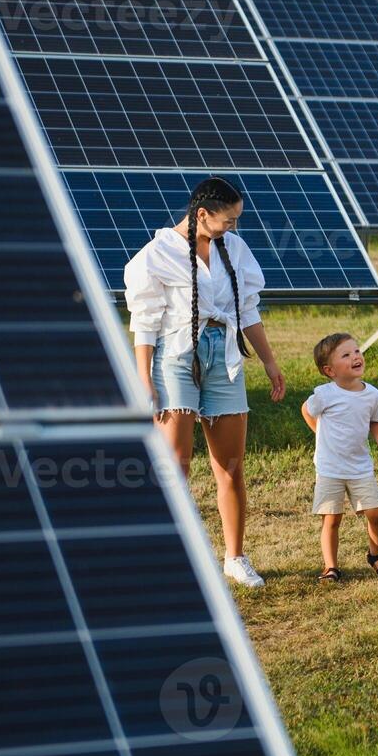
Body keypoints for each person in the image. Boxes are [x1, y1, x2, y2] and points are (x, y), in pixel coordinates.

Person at [125, 177, 287, 589]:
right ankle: (167, 557)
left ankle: (235, 558)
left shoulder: (234, 248)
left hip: (224, 356)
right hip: (176, 357)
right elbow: (144, 323)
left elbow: (248, 309)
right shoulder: (157, 254)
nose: (233, 227)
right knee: (175, 465)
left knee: (231, 467)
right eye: (228, 220)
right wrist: (144, 378)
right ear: (202, 214)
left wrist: (269, 362)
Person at [301, 333, 378, 583]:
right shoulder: (324, 394)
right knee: (332, 518)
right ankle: (330, 567)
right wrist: (319, 432)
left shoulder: (372, 394)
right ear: (329, 370)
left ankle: (375, 554)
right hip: (329, 469)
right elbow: (306, 410)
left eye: (356, 351)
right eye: (346, 355)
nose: (356, 357)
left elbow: (376, 420)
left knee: (375, 512)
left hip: (360, 468)